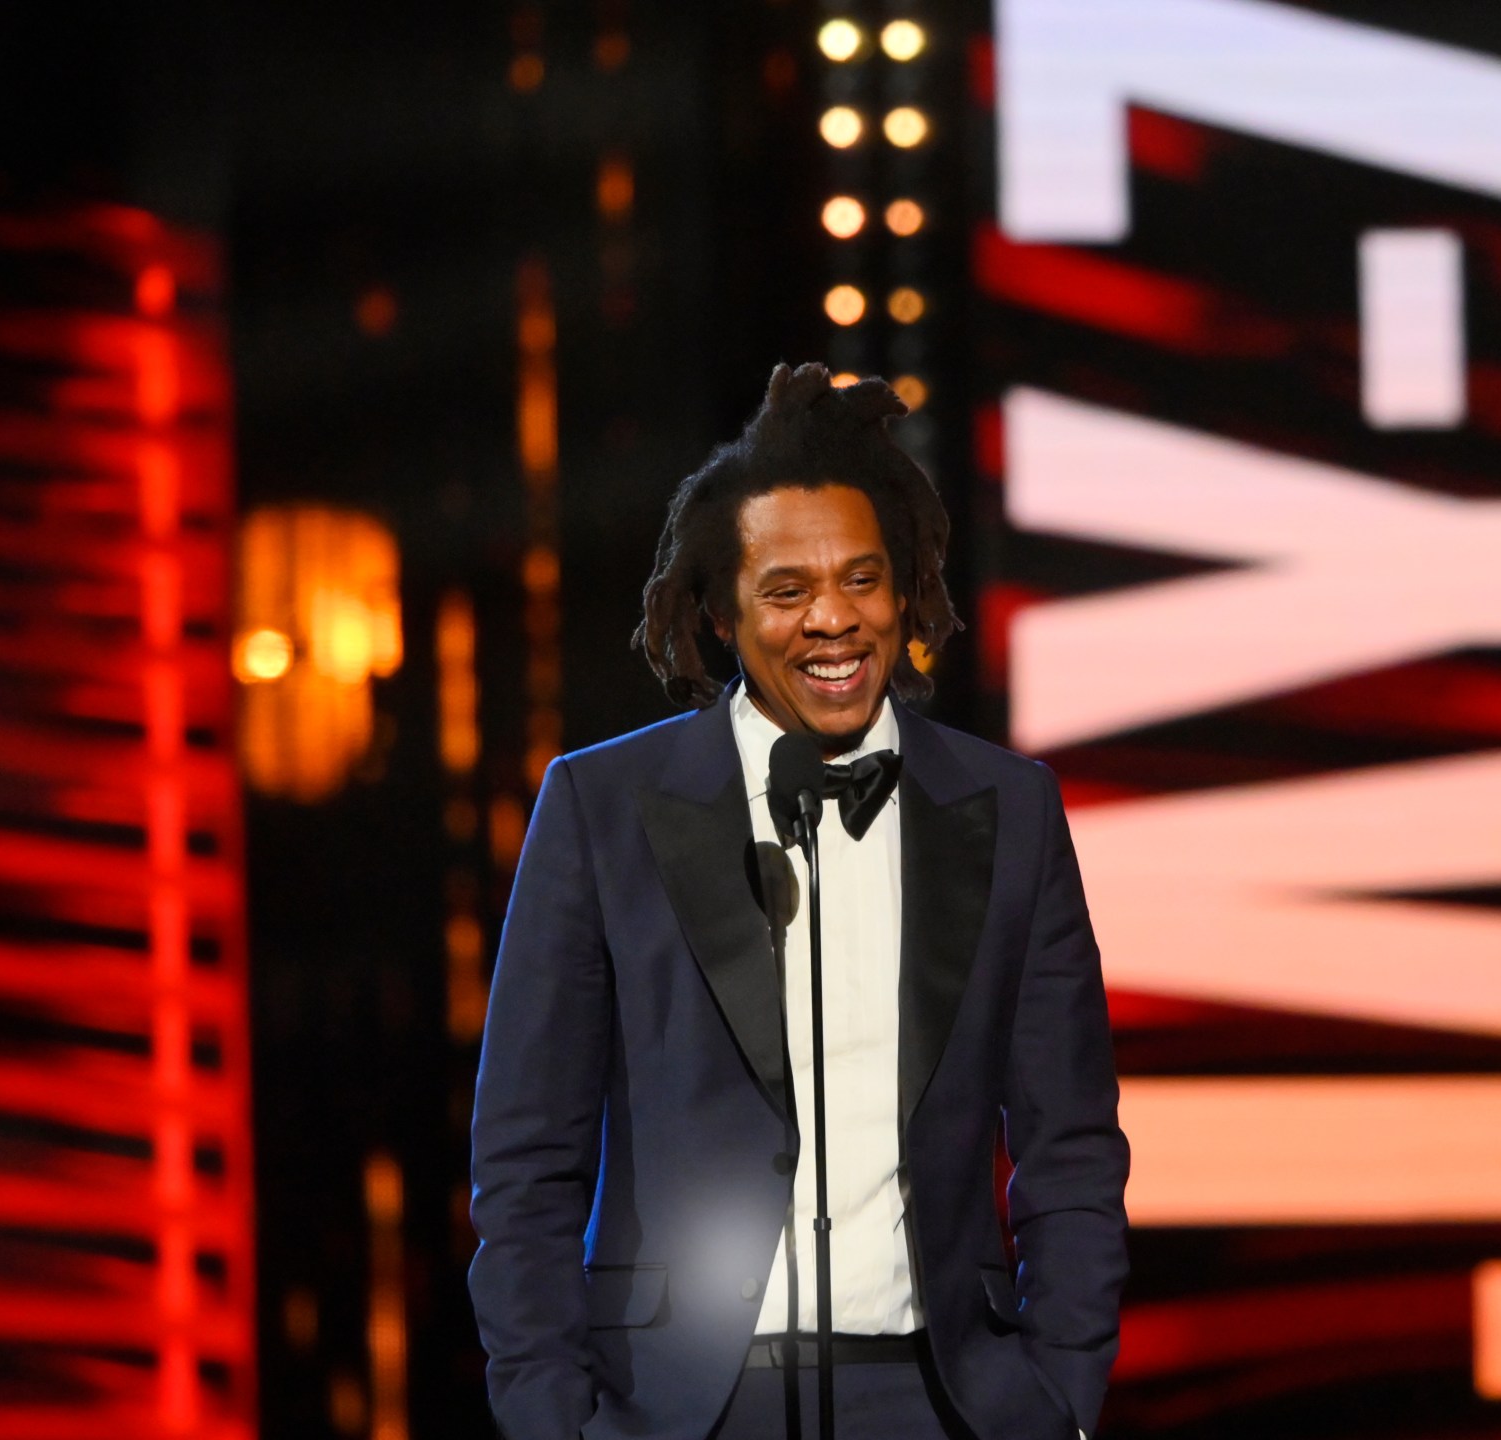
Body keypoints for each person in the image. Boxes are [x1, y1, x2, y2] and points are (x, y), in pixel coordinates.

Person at [469, 363, 1129, 1440]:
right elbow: (526, 1157)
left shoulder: (1007, 808)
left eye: (863, 581)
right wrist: (554, 1419)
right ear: (722, 613)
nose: (833, 619)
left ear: (906, 589)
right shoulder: (603, 807)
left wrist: (1054, 1394)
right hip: (677, 1410)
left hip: (946, 1401)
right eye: (786, 592)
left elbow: (1071, 1143)